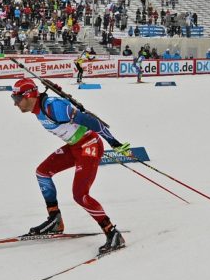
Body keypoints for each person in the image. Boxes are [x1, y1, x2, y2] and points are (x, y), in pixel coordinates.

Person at [10, 78, 127, 253]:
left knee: (80, 195)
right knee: (42, 172)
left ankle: (112, 232)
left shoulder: (53, 107)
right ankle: (55, 220)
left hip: (89, 145)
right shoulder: (39, 106)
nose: (15, 104)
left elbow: (92, 122)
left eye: (17, 99)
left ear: (29, 96)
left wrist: (114, 143)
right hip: (74, 146)